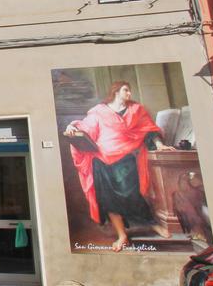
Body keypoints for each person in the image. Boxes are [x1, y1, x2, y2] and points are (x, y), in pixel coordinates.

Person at [64, 81, 173, 251]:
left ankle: (153, 224)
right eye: (126, 90)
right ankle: (122, 236)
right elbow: (85, 127)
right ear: (116, 91)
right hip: (101, 161)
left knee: (133, 195)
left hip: (125, 160)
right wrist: (72, 126)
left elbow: (149, 130)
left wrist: (159, 145)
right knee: (108, 200)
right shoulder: (99, 111)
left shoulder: (136, 110)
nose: (129, 93)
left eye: (129, 90)